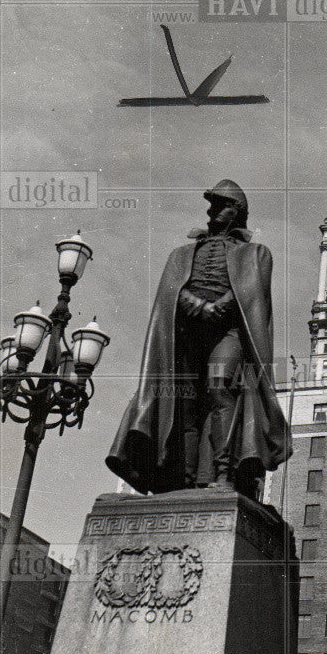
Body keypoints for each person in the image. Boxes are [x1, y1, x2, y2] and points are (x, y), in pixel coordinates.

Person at [105, 179, 291, 497]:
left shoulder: (256, 253)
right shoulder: (182, 254)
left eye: (221, 205)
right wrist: (194, 304)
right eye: (211, 205)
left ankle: (223, 473)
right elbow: (170, 293)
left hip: (230, 332)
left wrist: (219, 306)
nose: (211, 211)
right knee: (184, 401)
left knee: (221, 388)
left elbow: (252, 294)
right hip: (187, 333)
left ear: (238, 212)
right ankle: (186, 478)